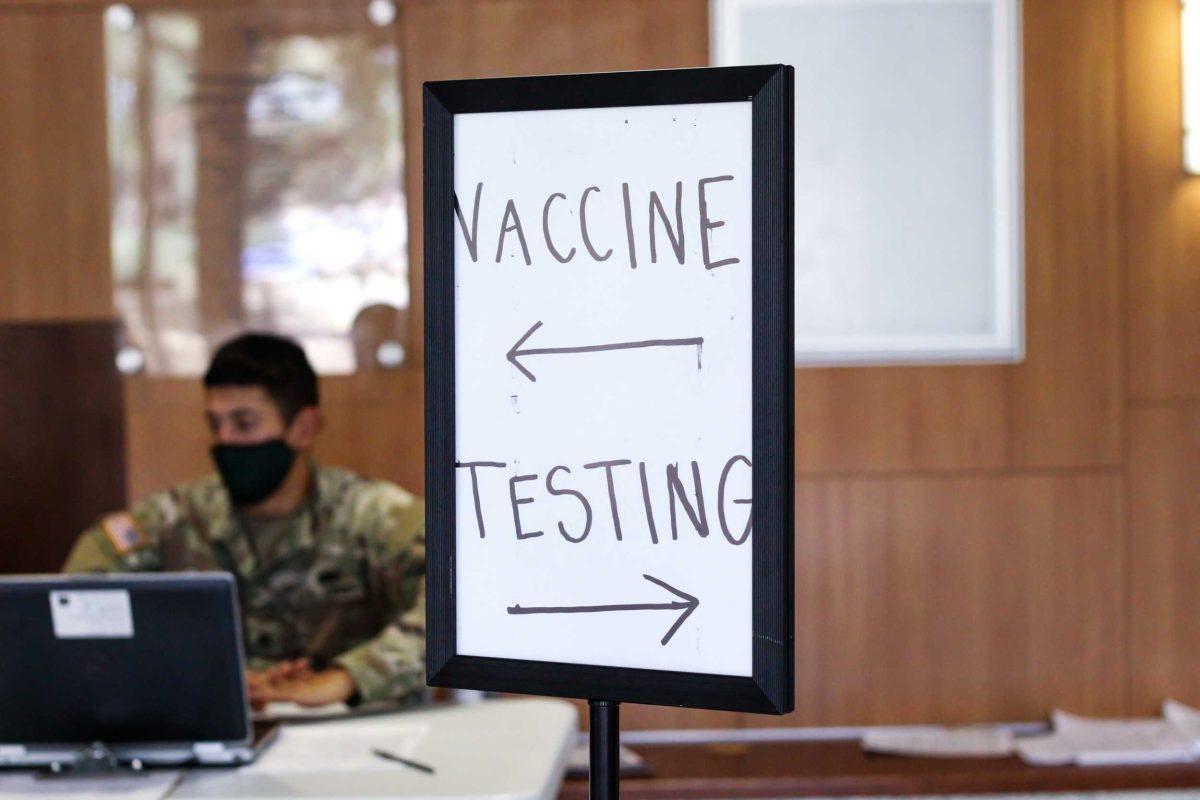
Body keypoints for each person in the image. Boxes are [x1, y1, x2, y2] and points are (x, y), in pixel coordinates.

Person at [64, 333, 425, 708]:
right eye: (215, 424)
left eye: (244, 423)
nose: (225, 440)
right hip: (219, 729)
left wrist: (349, 678)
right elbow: (77, 604)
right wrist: (189, 673)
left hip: (358, 735)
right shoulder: (176, 518)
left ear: (303, 428)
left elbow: (459, 610)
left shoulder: (375, 515)